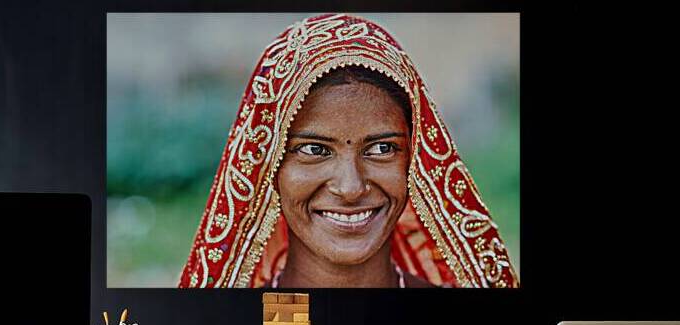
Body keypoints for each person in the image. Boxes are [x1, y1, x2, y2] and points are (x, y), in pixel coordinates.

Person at [180, 13, 518, 288]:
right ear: (268, 169)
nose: (351, 187)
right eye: (314, 149)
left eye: (382, 148)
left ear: (418, 161)